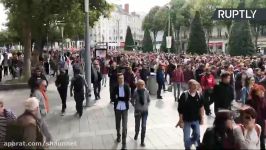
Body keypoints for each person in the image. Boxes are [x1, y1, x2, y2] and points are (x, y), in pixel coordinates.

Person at [177, 79, 204, 150]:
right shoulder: (184, 95)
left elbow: (201, 107)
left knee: (197, 135)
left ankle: (193, 143)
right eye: (194, 85)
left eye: (196, 85)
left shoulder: (199, 94)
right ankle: (188, 147)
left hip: (196, 119)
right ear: (189, 86)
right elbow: (180, 109)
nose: (195, 86)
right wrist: (181, 121)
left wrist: (202, 118)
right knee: (186, 138)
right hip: (186, 120)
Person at [111, 73, 130, 150]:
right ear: (118, 79)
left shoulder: (126, 86)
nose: (121, 80)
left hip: (125, 108)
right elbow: (112, 98)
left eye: (122, 78)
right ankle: (118, 135)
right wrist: (120, 98)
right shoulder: (115, 87)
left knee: (124, 126)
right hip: (117, 108)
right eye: (120, 78)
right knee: (118, 124)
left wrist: (118, 98)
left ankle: (124, 144)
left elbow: (127, 97)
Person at [246, 84, 266, 150]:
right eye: (260, 91)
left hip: (261, 122)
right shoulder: (250, 101)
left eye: (263, 91)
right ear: (255, 92)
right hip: (252, 122)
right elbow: (247, 113)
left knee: (262, 138)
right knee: (253, 138)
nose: (262, 92)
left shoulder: (264, 101)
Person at [131, 80, 150, 147]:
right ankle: (136, 133)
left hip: (145, 111)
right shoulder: (135, 91)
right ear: (137, 85)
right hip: (137, 111)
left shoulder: (146, 91)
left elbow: (148, 100)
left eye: (142, 84)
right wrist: (135, 106)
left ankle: (142, 141)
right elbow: (132, 99)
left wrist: (146, 106)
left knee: (144, 126)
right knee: (137, 125)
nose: (141, 86)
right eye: (139, 85)